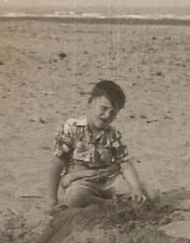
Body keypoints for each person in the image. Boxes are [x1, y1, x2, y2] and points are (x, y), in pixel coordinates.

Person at [45, 80, 149, 211]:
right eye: (103, 108)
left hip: (109, 181)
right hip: (82, 182)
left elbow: (124, 163)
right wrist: (51, 201)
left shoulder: (113, 135)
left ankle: (108, 205)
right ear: (90, 102)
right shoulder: (71, 129)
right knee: (75, 198)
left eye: (113, 113)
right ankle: (109, 205)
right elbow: (57, 165)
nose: (107, 116)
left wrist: (136, 188)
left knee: (147, 196)